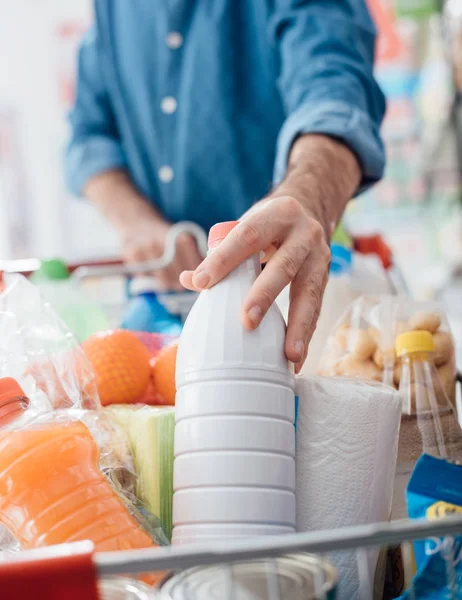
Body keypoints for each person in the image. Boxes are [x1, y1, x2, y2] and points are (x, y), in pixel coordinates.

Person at [66, 0, 386, 371]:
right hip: (160, 305)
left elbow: (334, 88)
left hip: (284, 292)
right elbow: (88, 136)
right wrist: (136, 221)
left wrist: (306, 195)